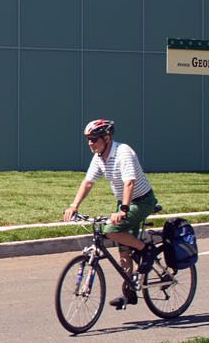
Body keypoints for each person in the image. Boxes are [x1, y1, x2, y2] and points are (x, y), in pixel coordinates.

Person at [63, 119, 158, 309]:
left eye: (94, 139)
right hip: (124, 203)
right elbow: (88, 182)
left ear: (106, 138)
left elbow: (129, 182)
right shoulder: (99, 157)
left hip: (142, 201)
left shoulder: (123, 152)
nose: (90, 143)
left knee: (111, 231)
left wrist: (123, 210)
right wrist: (74, 206)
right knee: (124, 249)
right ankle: (129, 292)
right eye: (88, 139)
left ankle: (147, 251)